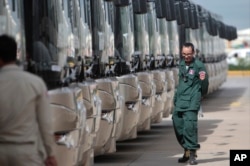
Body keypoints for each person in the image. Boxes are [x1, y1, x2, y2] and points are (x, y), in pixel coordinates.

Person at [0, 34, 57, 166]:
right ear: (16, 54)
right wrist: (50, 154)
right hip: (27, 152)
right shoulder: (35, 83)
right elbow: (45, 123)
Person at [172, 42, 209, 165]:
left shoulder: (199, 66)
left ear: (193, 53)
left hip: (192, 101)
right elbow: (181, 82)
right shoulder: (181, 64)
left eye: (188, 54)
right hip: (181, 100)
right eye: (184, 54)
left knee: (190, 128)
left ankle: (192, 154)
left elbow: (204, 83)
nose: (186, 56)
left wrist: (200, 95)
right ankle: (186, 149)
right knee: (178, 124)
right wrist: (176, 97)